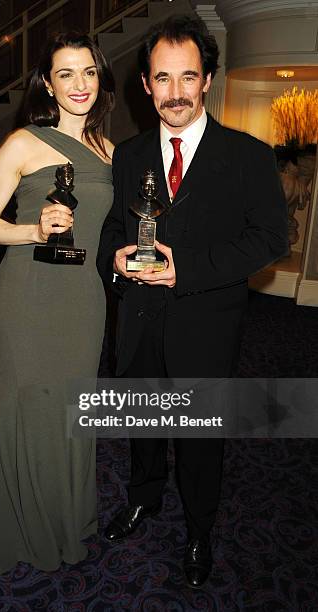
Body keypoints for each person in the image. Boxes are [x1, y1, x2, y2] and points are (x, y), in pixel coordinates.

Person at [97, 15, 288, 588]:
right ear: (145, 85)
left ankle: (201, 529)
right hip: (137, 322)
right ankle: (144, 499)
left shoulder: (248, 156)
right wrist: (114, 256)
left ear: (207, 80)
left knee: (201, 440)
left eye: (187, 77)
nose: (175, 92)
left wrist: (189, 271)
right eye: (162, 78)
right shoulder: (128, 156)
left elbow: (270, 239)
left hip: (205, 326)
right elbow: (111, 227)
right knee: (144, 426)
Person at [0, 32, 115, 576]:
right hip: (28, 295)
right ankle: (21, 522)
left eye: (88, 72)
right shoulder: (24, 142)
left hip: (84, 299)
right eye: (65, 73)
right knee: (30, 408)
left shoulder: (113, 153)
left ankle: (67, 518)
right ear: (48, 83)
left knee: (72, 411)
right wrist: (33, 229)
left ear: (101, 79)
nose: (79, 84)